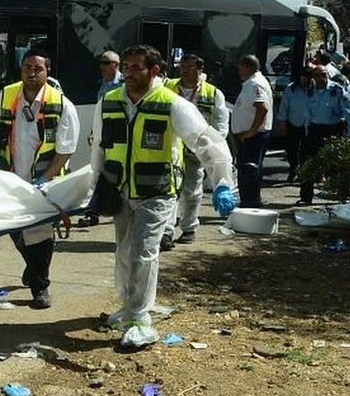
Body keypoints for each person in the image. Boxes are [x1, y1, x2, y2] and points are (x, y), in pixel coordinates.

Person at [91, 45, 235, 349]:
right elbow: (99, 149)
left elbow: (206, 142)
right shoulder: (110, 101)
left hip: (156, 192)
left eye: (135, 68)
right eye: (125, 67)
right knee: (124, 251)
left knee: (143, 252)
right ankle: (129, 307)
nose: (127, 73)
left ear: (155, 71)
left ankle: (140, 319)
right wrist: (93, 185)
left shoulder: (172, 104)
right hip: (121, 191)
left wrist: (222, 181)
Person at [0, 48, 80, 309]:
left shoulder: (61, 104)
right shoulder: (7, 96)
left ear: (47, 71)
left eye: (38, 68)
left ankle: (40, 288)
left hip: (45, 183)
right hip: (11, 179)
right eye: (27, 67)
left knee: (39, 234)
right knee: (13, 228)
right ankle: (33, 268)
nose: (31, 72)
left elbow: (66, 150)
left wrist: (44, 177)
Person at [161, 54, 228, 247]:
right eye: (182, 67)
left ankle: (189, 228)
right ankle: (166, 231)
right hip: (171, 148)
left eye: (189, 67)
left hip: (195, 151)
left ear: (199, 70)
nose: (184, 71)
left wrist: (211, 148)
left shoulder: (214, 94)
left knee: (192, 190)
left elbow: (221, 126)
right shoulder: (167, 87)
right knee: (169, 190)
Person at [297, 65, 350, 205]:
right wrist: (306, 131)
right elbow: (307, 112)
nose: (322, 77)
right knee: (308, 163)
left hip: (334, 129)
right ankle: (306, 197)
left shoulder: (337, 90)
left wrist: (349, 135)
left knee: (338, 164)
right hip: (314, 130)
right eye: (318, 75)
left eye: (324, 74)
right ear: (314, 77)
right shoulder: (310, 90)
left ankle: (344, 195)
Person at [79, 50, 124, 228]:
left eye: (106, 63)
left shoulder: (123, 83)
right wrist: (93, 131)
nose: (102, 67)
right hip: (102, 135)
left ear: (116, 65)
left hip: (118, 137)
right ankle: (92, 212)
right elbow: (100, 112)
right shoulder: (103, 84)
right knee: (96, 172)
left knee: (114, 173)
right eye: (101, 63)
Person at [231, 55, 273, 208]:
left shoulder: (256, 84)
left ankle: (251, 202)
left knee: (250, 168)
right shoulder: (250, 83)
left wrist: (251, 131)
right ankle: (248, 201)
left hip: (253, 136)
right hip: (249, 135)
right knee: (246, 169)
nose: (238, 70)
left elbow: (262, 108)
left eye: (240, 67)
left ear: (247, 67)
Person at [276, 69, 312, 183]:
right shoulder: (291, 88)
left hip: (310, 125)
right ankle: (293, 170)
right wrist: (283, 124)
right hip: (293, 123)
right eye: (303, 76)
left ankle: (305, 173)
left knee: (306, 151)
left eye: (308, 76)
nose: (305, 79)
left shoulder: (316, 88)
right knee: (292, 150)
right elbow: (284, 107)